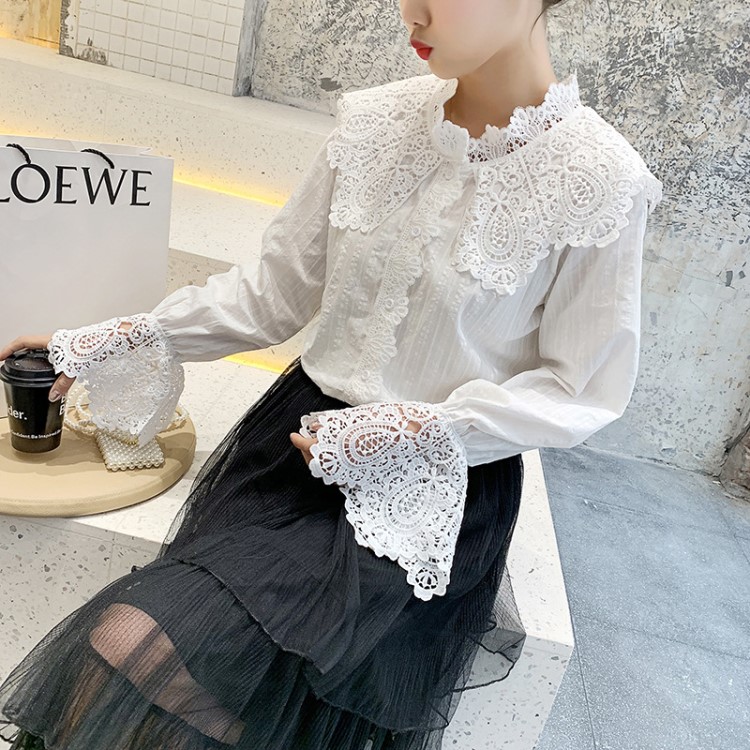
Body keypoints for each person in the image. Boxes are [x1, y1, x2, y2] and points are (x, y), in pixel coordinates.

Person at [0, 0, 664, 748]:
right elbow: (272, 296)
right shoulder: (376, 123)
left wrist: (417, 431)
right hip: (287, 454)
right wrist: (116, 340)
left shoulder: (601, 181)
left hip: (426, 494)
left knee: (148, 655)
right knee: (144, 656)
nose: (411, 11)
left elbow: (582, 388)